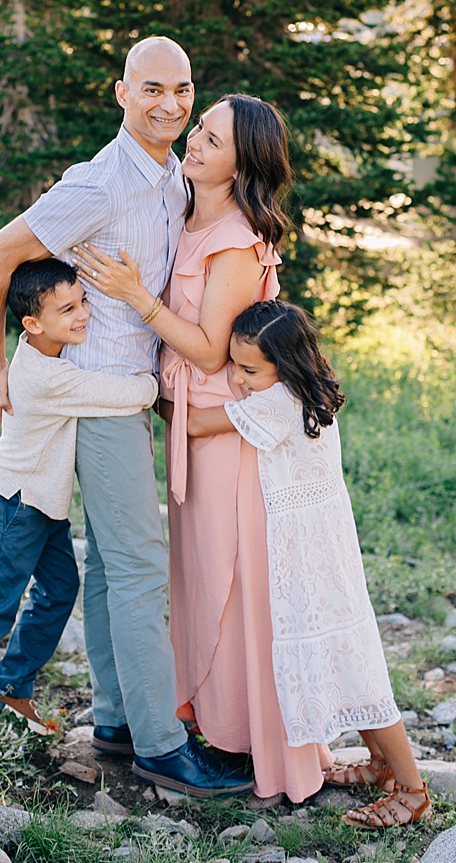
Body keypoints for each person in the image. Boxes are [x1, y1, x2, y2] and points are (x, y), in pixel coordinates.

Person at [0, 36, 253, 798]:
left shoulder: (170, 177)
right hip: (99, 403)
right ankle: (164, 746)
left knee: (109, 568)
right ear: (122, 93)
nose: (170, 104)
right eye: (152, 89)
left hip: (123, 398)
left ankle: (118, 722)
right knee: (136, 569)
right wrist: (0, 364)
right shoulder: (100, 184)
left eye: (183, 90)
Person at [75, 94, 323, 805]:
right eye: (201, 133)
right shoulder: (185, 211)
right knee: (197, 580)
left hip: (222, 433)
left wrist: (134, 297)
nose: (197, 145)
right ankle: (202, 718)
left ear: (242, 161)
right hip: (180, 423)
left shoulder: (238, 239)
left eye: (213, 140)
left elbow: (212, 348)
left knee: (232, 583)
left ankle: (249, 738)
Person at [181, 300, 428, 828]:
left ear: (284, 366)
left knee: (356, 664)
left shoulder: (278, 402)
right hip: (323, 542)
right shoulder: (304, 390)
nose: (239, 380)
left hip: (309, 551)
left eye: (249, 370)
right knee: (344, 651)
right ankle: (380, 764)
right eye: (234, 366)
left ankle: (412, 787)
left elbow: (199, 424)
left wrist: (152, 394)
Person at [0, 258, 157, 747]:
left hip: (44, 505)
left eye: (82, 302)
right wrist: (164, 376)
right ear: (32, 324)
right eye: (67, 309)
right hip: (15, 503)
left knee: (60, 589)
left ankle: (12, 684)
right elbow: (132, 392)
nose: (83, 315)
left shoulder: (51, 355)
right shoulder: (45, 377)